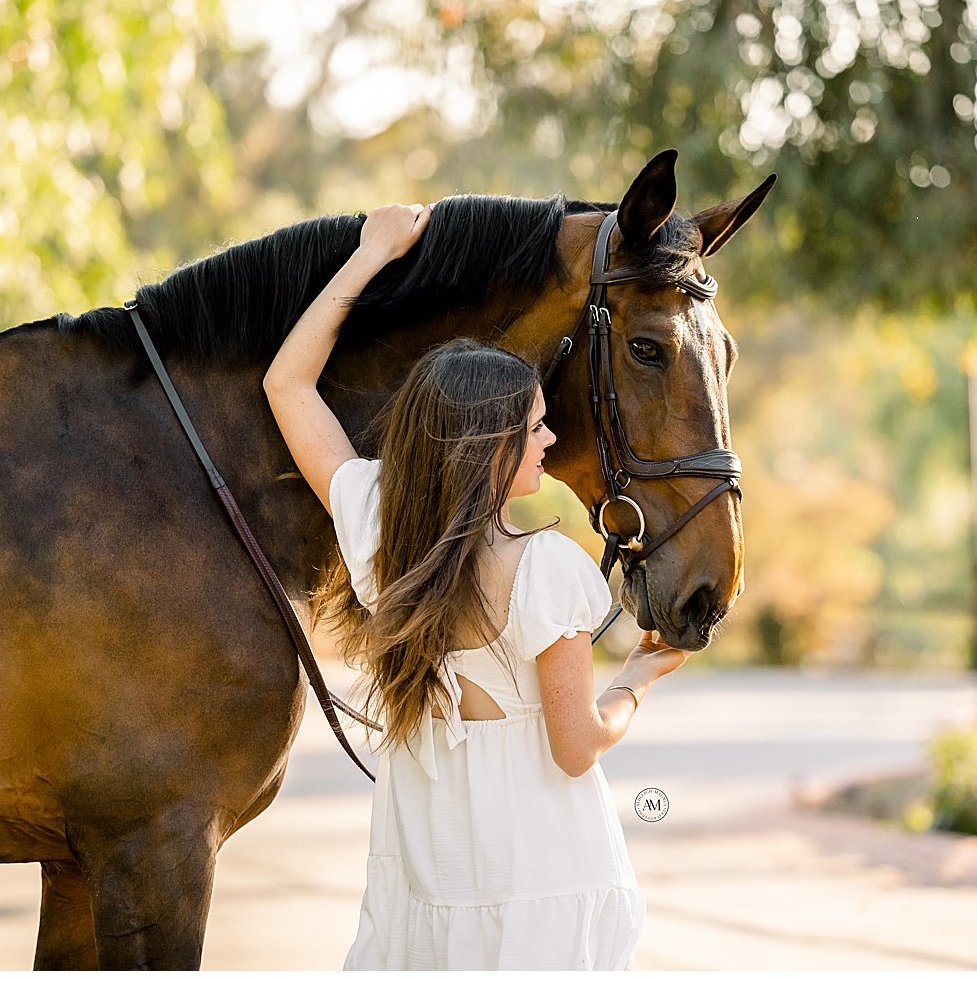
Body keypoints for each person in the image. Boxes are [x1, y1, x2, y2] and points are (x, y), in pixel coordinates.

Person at [263, 202, 690, 970]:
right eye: (533, 426)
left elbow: (288, 384)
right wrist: (638, 678)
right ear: (487, 446)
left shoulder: (381, 528)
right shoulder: (549, 571)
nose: (551, 439)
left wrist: (369, 254)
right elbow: (576, 747)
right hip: (549, 893)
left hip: (428, 901)